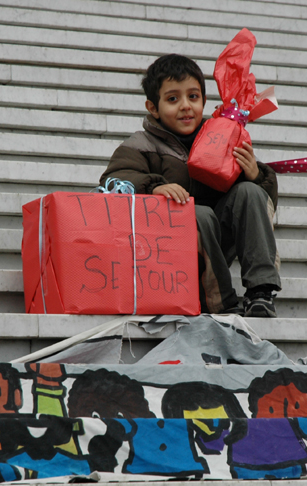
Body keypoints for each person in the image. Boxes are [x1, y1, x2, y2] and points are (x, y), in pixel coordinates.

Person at [100, 54, 282, 317]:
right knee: (197, 212)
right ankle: (221, 302)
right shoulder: (141, 144)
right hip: (166, 251)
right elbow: (113, 180)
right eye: (173, 99)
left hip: (216, 242)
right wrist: (153, 187)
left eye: (193, 97)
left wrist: (255, 176)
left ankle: (261, 292)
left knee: (250, 192)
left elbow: (263, 205)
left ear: (204, 101)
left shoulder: (219, 136)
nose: (185, 106)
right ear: (153, 107)